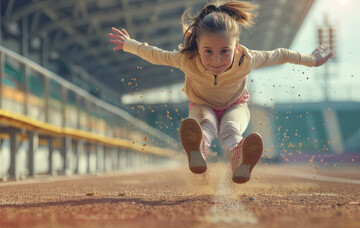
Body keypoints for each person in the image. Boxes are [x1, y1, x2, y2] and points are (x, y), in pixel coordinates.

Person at [108, 1, 333, 183]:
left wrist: (312, 60)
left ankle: (239, 157)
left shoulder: (248, 59)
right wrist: (129, 44)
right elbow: (156, 54)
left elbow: (281, 54)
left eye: (225, 51)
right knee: (205, 124)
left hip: (236, 105)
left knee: (230, 128)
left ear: (236, 46)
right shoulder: (186, 60)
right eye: (208, 51)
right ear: (197, 45)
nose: (216, 60)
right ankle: (199, 149)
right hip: (201, 105)